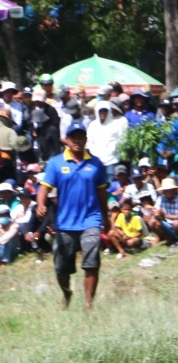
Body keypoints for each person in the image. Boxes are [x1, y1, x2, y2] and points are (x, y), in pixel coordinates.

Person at [38, 121, 109, 309]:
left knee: (92, 261)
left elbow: (102, 194)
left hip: (90, 219)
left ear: (86, 140)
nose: (77, 141)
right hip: (65, 223)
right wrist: (40, 204)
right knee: (62, 268)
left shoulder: (96, 164)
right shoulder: (56, 163)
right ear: (67, 140)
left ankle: (88, 304)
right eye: (73, 137)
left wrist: (107, 218)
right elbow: (44, 188)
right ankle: (67, 294)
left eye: (81, 137)